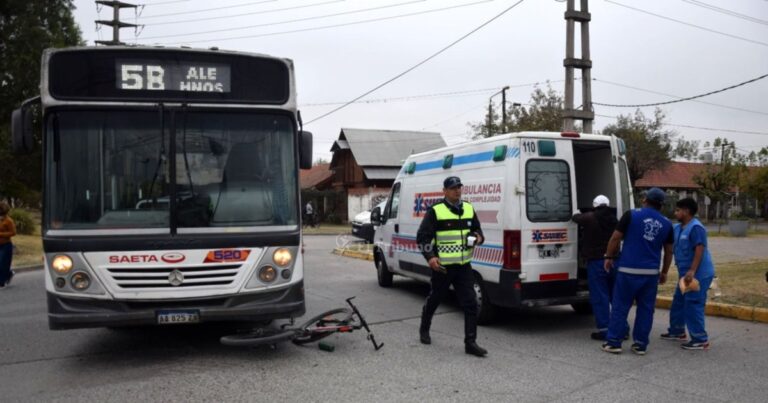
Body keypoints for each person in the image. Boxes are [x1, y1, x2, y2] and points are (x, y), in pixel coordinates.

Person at [416, 176, 487, 357]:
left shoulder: (469, 208)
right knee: (435, 299)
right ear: (445, 191)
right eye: (453, 188)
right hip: (443, 267)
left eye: (459, 187)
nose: (457, 190)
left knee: (471, 303)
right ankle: (424, 329)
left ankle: (470, 343)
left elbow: (479, 232)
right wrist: (431, 257)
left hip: (464, 266)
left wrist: (478, 237)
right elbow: (422, 238)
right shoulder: (436, 211)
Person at [601, 188, 673, 356]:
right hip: (650, 274)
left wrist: (609, 256)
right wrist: (664, 272)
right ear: (661, 205)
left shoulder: (631, 215)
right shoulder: (667, 223)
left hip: (627, 270)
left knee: (620, 306)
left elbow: (615, 238)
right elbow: (669, 251)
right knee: (646, 309)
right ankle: (640, 344)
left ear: (645, 199)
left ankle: (613, 342)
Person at [661, 197, 715, 350]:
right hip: (685, 275)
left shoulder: (696, 227)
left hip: (698, 273)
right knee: (678, 301)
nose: (675, 212)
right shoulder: (678, 228)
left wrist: (692, 270)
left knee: (693, 303)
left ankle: (700, 339)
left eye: (678, 210)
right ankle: (677, 331)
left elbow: (699, 249)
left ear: (687, 211)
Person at [572, 195, 618, 341]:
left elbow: (575, 218)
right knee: (615, 297)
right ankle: (622, 328)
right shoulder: (615, 219)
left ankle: (604, 330)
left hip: (597, 262)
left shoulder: (590, 217)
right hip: (614, 261)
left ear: (595, 205)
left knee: (600, 297)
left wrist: (576, 211)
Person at [0, 201, 17, 288]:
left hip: (5, 245)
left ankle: (1, 282)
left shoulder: (9, 221)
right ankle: (9, 273)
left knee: (2, 263)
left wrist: (1, 234)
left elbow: (13, 232)